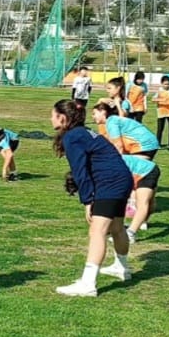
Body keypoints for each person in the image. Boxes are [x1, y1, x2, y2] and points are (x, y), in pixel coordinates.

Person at [52, 99, 134, 296]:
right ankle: (121, 267)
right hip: (122, 177)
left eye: (53, 115)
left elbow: (80, 171)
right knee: (116, 227)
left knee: (97, 231)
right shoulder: (84, 132)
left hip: (110, 182)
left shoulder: (73, 136)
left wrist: (88, 200)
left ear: (62, 118)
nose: (50, 119)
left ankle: (88, 284)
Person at [93, 101, 158, 160]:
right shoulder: (113, 120)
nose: (93, 116)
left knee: (126, 168)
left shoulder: (111, 122)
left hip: (144, 146)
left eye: (94, 113)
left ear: (103, 111)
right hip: (149, 144)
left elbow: (118, 146)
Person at [120, 154, 157, 242]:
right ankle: (142, 221)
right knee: (149, 201)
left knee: (142, 202)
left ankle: (130, 233)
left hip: (147, 171)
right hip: (134, 171)